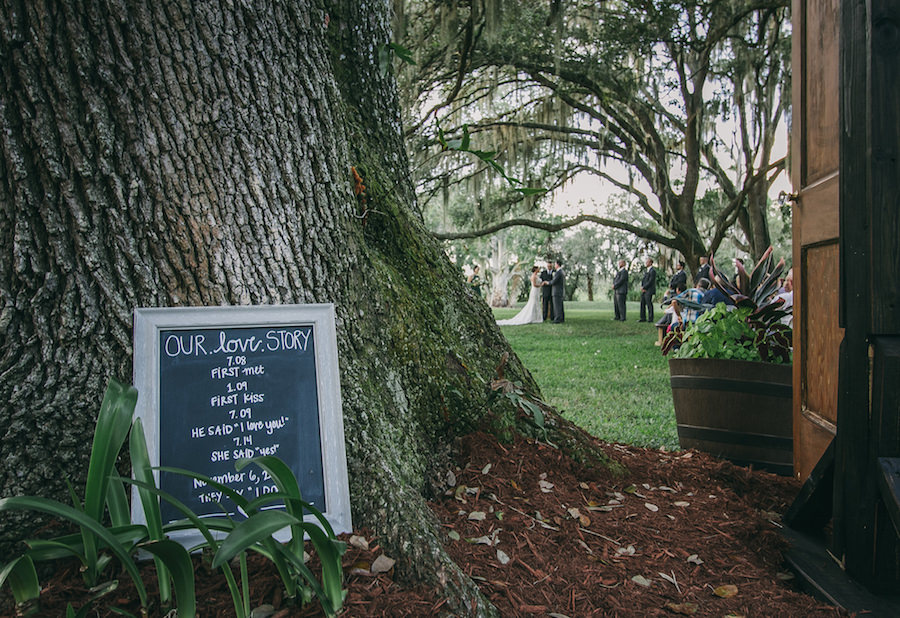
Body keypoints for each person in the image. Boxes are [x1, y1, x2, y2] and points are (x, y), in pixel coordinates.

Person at [545, 258, 566, 323]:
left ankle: (557, 319)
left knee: (557, 306)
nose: (554, 265)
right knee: (560, 306)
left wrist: (547, 282)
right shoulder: (561, 271)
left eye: (555, 264)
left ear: (557, 264)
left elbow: (554, 281)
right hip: (559, 291)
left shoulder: (558, 272)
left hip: (556, 292)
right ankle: (561, 318)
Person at [639, 257, 657, 322]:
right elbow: (644, 280)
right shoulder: (646, 271)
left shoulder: (653, 271)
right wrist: (642, 287)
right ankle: (642, 318)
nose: (646, 263)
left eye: (647, 262)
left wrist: (644, 287)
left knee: (649, 304)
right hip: (644, 290)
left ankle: (650, 318)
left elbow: (651, 281)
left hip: (649, 290)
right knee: (642, 303)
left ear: (650, 263)